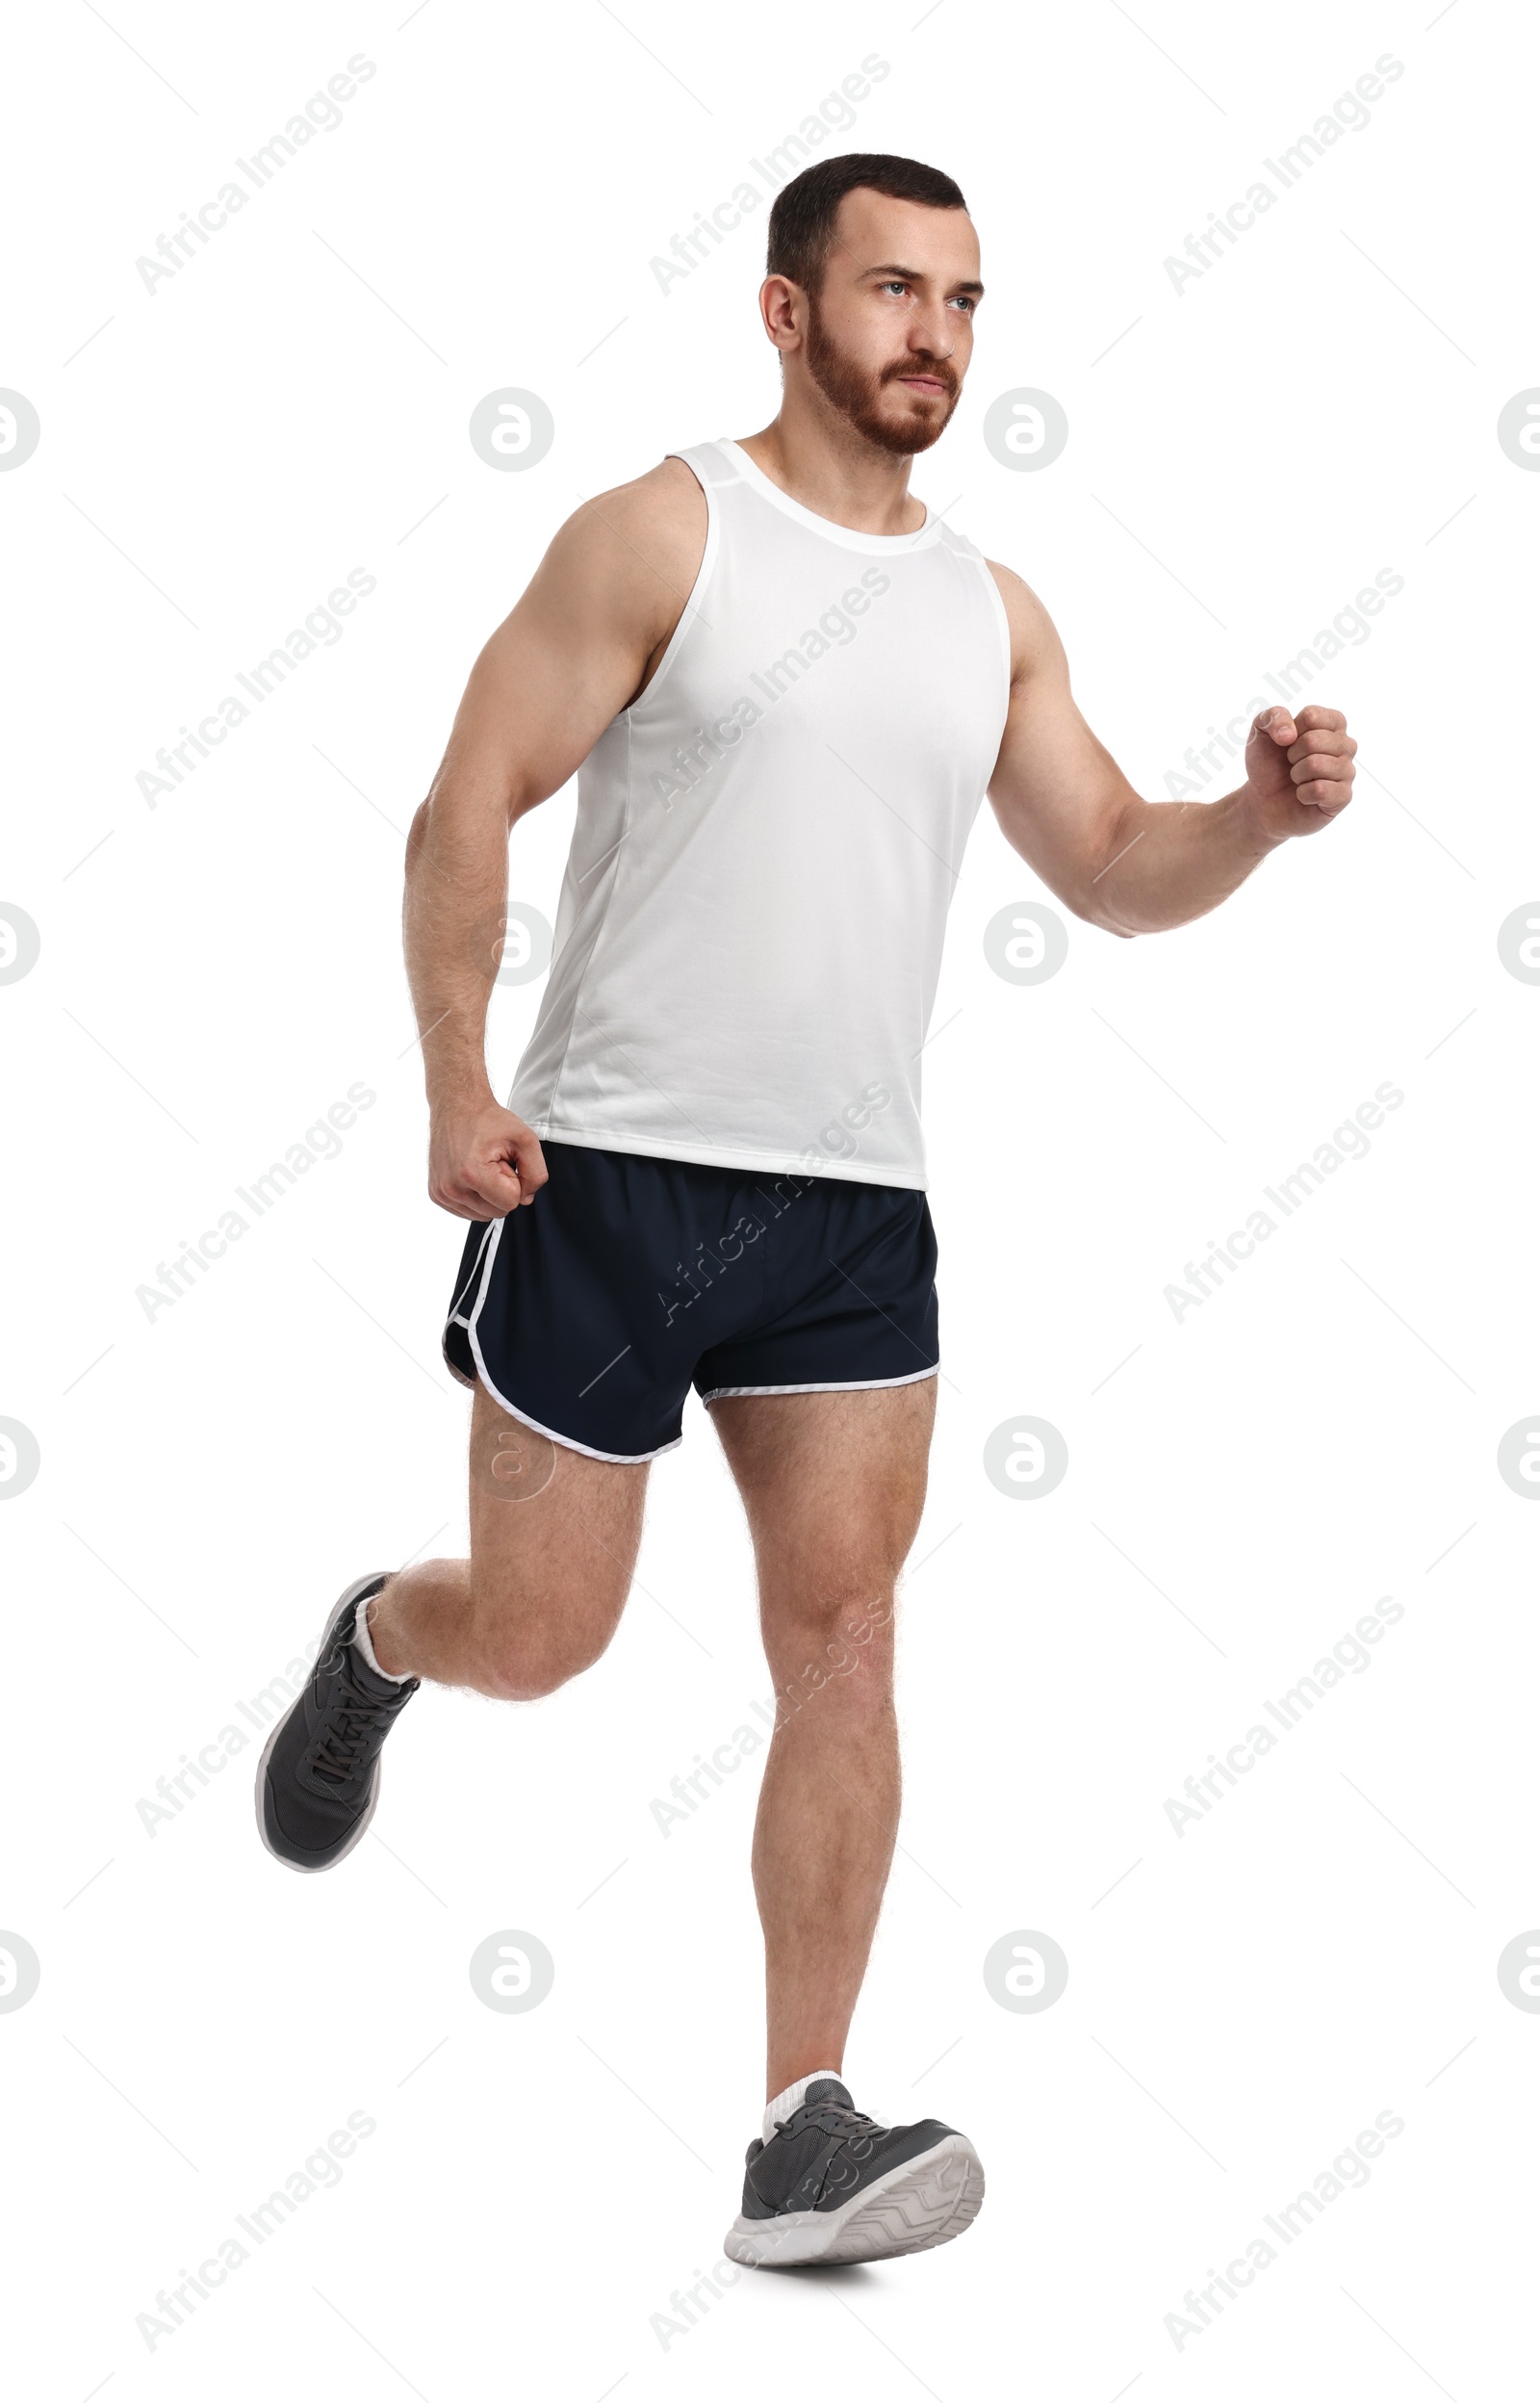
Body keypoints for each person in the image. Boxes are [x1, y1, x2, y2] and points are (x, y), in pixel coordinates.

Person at [256, 151, 1356, 2267]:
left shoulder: (988, 608)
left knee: (844, 1643)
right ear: (784, 314)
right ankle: (382, 1640)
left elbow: (1115, 862)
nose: (929, 332)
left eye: (959, 298)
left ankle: (800, 2133)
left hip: (854, 1205)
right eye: (886, 291)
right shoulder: (661, 532)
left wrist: (1254, 821)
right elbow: (461, 802)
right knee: (547, 1639)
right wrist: (455, 1086)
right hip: (607, 1180)